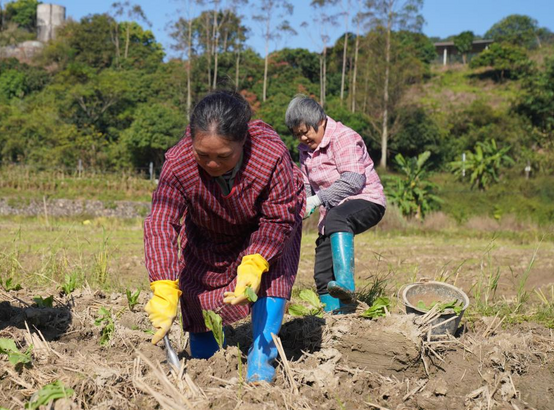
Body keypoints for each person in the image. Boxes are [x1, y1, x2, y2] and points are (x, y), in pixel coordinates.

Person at [143, 91, 305, 383]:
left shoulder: (270, 155)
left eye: (223, 156)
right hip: (209, 230)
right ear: (191, 140)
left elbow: (279, 217)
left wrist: (256, 261)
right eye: (203, 155)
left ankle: (261, 356)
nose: (213, 165)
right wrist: (164, 284)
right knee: (197, 286)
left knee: (272, 276)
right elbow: (161, 221)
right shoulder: (178, 163)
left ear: (243, 141)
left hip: (266, 228)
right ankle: (207, 359)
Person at [285, 95, 386, 313]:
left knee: (338, 218)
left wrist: (318, 199)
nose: (302, 138)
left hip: (365, 199)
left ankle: (346, 287)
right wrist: (299, 206)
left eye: (305, 131)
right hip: (332, 216)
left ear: (320, 121)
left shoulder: (343, 137)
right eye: (297, 135)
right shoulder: (305, 151)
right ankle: (334, 318)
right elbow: (307, 186)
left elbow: (353, 180)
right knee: (322, 271)